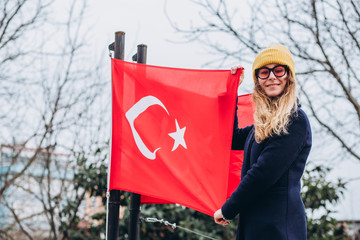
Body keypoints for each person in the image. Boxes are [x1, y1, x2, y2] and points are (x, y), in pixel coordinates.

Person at [213, 44, 312, 240]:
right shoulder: (262, 126)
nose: (272, 77)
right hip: (256, 225)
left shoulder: (294, 120)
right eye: (264, 72)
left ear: (288, 76)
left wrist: (229, 209)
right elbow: (231, 139)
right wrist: (232, 90)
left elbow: (263, 173)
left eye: (279, 70)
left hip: (279, 228)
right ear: (257, 80)